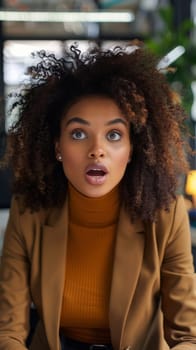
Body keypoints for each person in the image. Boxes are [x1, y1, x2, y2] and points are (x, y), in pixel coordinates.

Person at [0, 43, 196, 350]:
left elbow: (188, 335)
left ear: (132, 150)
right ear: (57, 148)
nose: (97, 150)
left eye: (114, 135)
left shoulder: (166, 214)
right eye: (78, 134)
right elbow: (7, 331)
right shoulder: (29, 212)